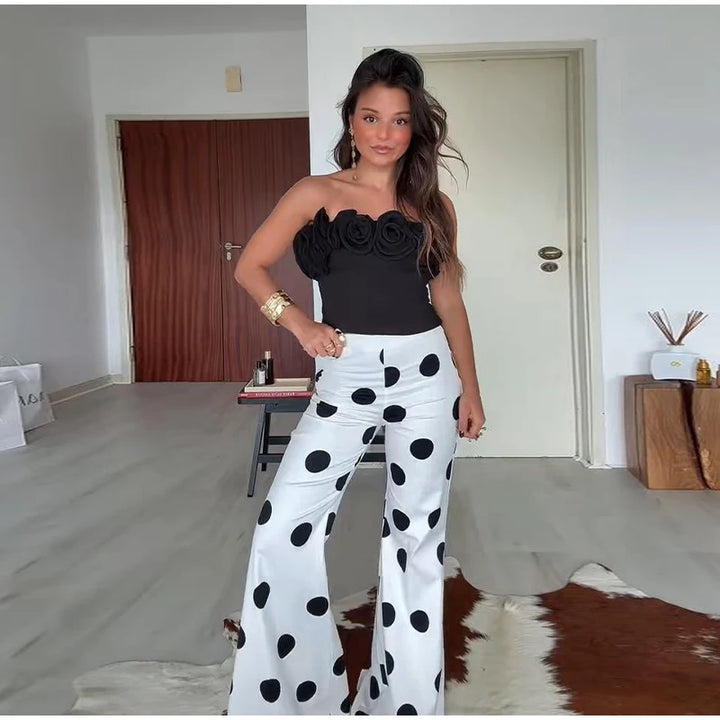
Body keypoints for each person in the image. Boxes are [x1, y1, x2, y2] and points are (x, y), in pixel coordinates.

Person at [226, 48, 486, 716]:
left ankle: (405, 703)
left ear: (414, 127)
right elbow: (250, 267)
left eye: (399, 120)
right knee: (283, 527)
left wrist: (471, 388)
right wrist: (298, 324)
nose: (384, 133)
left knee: (417, 538)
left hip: (427, 379)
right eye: (371, 117)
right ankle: (296, 697)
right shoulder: (315, 194)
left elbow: (449, 301)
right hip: (347, 376)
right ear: (350, 120)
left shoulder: (433, 206)